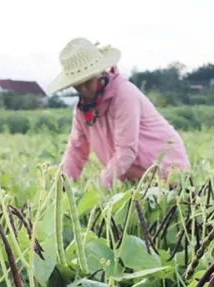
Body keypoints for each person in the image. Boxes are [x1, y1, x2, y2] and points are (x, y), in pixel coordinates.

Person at [47, 37, 191, 189]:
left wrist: (98, 187)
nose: (83, 89)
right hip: (135, 178)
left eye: (87, 82)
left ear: (98, 74)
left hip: (166, 169)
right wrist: (62, 186)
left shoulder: (124, 95)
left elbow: (126, 151)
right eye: (77, 85)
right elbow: (76, 149)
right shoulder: (82, 110)